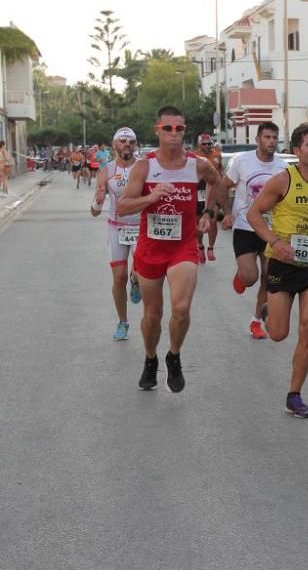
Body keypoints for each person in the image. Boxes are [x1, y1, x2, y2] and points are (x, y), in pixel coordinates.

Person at [116, 106, 225, 393]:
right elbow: (123, 205)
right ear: (157, 131)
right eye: (167, 129)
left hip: (183, 247)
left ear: (184, 130)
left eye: (179, 129)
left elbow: (218, 182)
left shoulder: (197, 164)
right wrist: (151, 196)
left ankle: (174, 355)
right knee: (152, 315)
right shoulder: (145, 166)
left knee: (181, 308)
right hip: (150, 249)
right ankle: (151, 360)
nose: (173, 135)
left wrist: (208, 212)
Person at [246, 122, 308, 418]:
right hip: (284, 264)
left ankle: (294, 395)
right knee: (278, 333)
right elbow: (254, 214)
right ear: (297, 150)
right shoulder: (281, 181)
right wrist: (275, 242)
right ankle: (267, 312)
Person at [220, 121, 287, 340]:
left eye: (274, 138)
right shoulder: (242, 161)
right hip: (245, 226)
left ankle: (256, 320)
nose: (271, 142)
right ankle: (242, 274)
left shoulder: (283, 167)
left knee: (269, 277)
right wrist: (226, 212)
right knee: (251, 278)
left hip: (272, 230)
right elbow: (223, 185)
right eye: (267, 137)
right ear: (258, 139)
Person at [91, 127, 143, 341]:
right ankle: (123, 322)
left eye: (130, 141)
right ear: (114, 146)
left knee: (140, 274)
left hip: (141, 227)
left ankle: (136, 279)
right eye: (122, 141)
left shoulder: (144, 167)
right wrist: (98, 201)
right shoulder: (107, 171)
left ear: (135, 145)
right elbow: (94, 211)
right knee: (119, 278)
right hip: (117, 227)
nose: (127, 145)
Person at [195, 133, 223, 263]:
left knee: (212, 220)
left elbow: (220, 173)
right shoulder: (194, 156)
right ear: (199, 145)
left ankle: (211, 248)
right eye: (204, 144)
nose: (207, 146)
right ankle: (200, 245)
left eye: (209, 144)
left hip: (213, 191)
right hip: (198, 191)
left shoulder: (217, 155)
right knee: (198, 222)